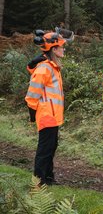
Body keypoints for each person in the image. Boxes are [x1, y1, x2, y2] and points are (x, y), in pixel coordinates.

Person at [25, 29, 69, 185]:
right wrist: (33, 116)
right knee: (44, 150)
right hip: (46, 115)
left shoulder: (53, 67)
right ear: (54, 49)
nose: (64, 49)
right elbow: (31, 96)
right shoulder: (44, 68)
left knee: (51, 148)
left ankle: (48, 178)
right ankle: (39, 182)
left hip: (53, 116)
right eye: (61, 47)